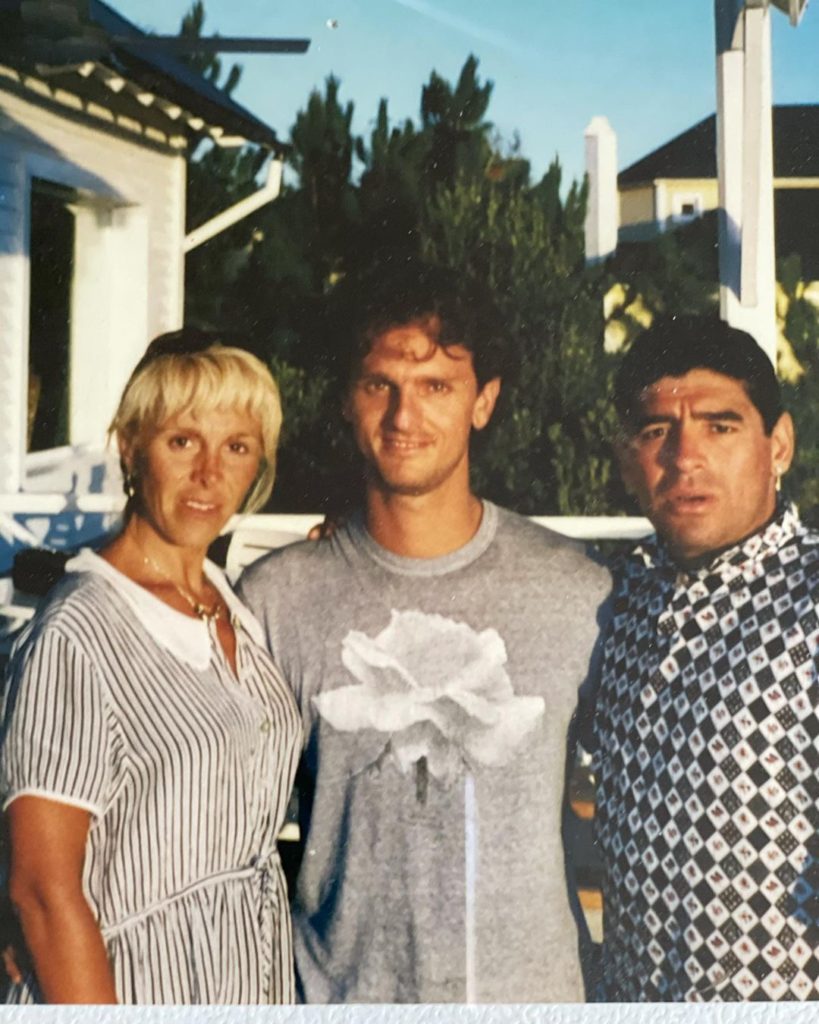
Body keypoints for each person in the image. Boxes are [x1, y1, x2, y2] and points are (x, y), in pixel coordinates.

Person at [238, 263, 611, 1003]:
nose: (403, 417)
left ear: (484, 401)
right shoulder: (276, 598)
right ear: (346, 399)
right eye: (379, 384)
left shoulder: (579, 592)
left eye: (436, 386)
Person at [0, 332, 302, 1004]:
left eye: (237, 447)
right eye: (182, 441)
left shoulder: (234, 606)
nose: (209, 474)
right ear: (131, 448)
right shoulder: (79, 630)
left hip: (242, 981)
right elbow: (42, 889)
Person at [591, 315, 819, 1001]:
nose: (685, 457)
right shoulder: (612, 597)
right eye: (656, 431)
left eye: (720, 427)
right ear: (626, 459)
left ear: (778, 445)